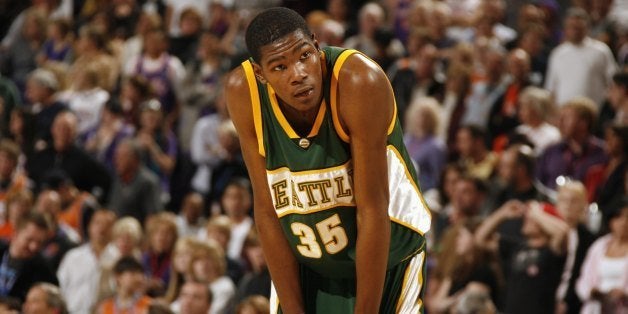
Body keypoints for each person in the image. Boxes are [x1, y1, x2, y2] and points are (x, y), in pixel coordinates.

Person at [225, 7, 431, 313]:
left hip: (387, 260)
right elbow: (267, 212)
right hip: (311, 267)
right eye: (280, 67)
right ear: (260, 74)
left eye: (304, 56)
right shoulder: (244, 92)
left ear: (317, 46)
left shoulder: (359, 81)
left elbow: (372, 210)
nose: (298, 74)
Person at [57, 209, 116, 314]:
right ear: (89, 227)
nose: (102, 228)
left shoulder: (119, 259)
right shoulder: (73, 257)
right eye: (98, 223)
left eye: (108, 224)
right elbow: (60, 288)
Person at [576, 200, 628, 314]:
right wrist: (591, 291)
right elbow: (583, 280)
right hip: (595, 307)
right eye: (619, 217)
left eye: (627, 218)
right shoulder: (598, 246)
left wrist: (624, 293)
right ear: (611, 220)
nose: (624, 222)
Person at [0, 212, 58, 302]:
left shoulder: (44, 272)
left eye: (40, 243)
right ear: (16, 234)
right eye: (29, 239)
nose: (33, 247)